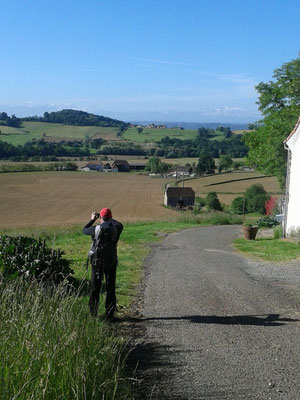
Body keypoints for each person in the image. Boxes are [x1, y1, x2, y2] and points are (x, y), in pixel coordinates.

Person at [83, 208, 123, 318]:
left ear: (100, 217)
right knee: (110, 287)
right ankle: (110, 314)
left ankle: (93, 313)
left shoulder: (95, 229)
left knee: (95, 287)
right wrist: (108, 218)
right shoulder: (117, 228)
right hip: (111, 261)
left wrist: (92, 219)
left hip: (97, 262)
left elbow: (84, 230)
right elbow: (119, 223)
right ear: (111, 217)